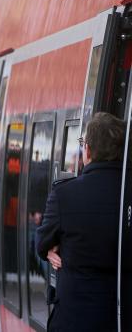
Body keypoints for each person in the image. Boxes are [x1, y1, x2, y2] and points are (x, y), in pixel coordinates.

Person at [37, 112, 131, 331]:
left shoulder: (64, 195)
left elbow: (41, 242)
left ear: (87, 149)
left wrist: (49, 250)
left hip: (75, 319)